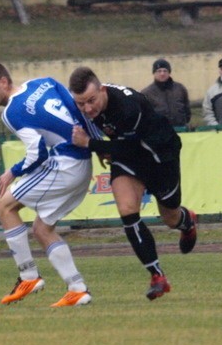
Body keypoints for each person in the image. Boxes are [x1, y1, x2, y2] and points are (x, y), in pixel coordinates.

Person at [68, 66, 198, 301]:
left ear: (102, 90)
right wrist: (98, 146)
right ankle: (157, 276)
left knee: (170, 217)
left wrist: (91, 144)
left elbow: (129, 146)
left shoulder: (128, 107)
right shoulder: (89, 104)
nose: (87, 109)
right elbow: (121, 148)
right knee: (127, 210)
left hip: (159, 156)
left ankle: (186, 221)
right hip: (129, 158)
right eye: (81, 104)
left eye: (91, 101)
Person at [0, 62, 96, 307]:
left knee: (4, 206)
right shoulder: (43, 82)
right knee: (42, 229)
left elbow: (38, 152)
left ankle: (28, 276)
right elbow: (75, 107)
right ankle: (77, 289)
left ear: (3, 82)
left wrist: (13, 171)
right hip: (82, 162)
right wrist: (96, 141)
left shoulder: (11, 112)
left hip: (66, 163)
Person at [140, 58, 191, 128]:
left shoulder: (180, 88)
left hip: (181, 128)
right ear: (154, 73)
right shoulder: (146, 93)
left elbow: (187, 109)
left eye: (165, 71)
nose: (162, 73)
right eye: (159, 71)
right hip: (159, 131)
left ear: (169, 72)